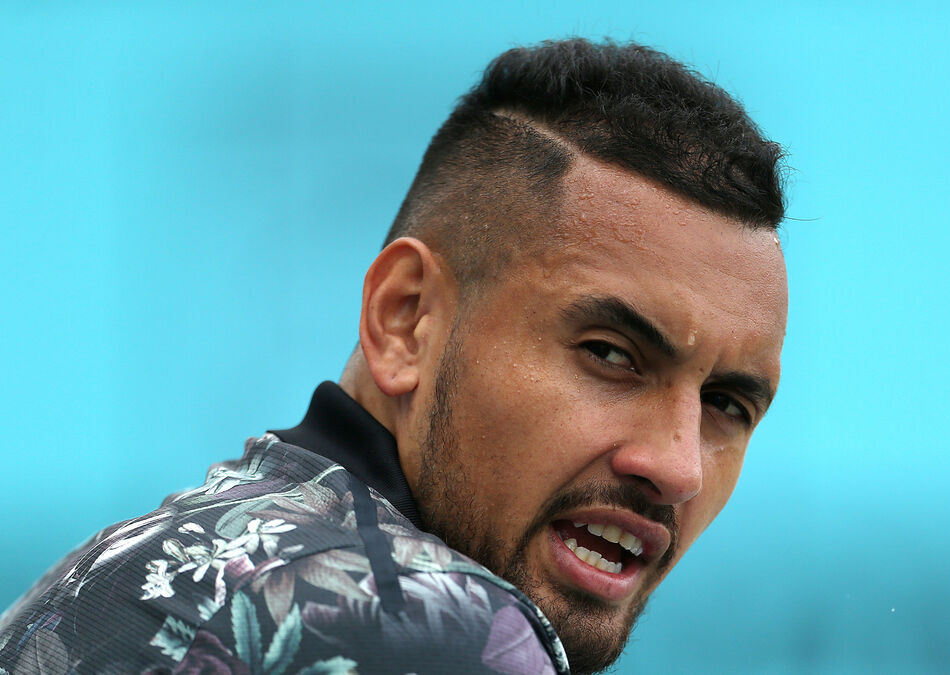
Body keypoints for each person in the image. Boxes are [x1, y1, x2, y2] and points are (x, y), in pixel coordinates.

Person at [0, 38, 788, 674]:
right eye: (610, 354)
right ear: (405, 318)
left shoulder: (102, 573)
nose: (678, 466)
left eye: (727, 404)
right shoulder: (435, 629)